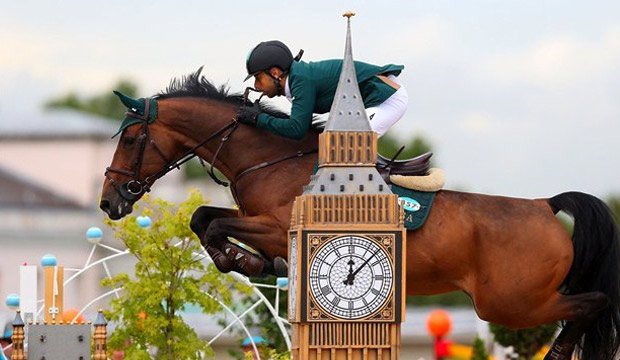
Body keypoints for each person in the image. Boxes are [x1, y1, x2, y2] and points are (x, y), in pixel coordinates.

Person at [237, 40, 408, 139]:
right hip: (368, 104)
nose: (257, 86)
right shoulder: (297, 78)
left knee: (349, 148)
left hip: (387, 99)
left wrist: (258, 119)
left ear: (275, 73)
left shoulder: (301, 80)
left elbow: (296, 129)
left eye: (258, 78)